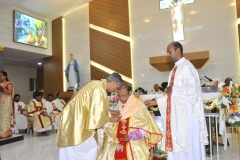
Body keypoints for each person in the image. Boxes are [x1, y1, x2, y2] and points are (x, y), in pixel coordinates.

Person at [144, 41, 208, 160]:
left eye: (170, 52)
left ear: (178, 50)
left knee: (187, 141)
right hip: (177, 115)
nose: (168, 55)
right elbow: (170, 94)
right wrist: (156, 102)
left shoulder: (187, 67)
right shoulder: (175, 68)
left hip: (187, 115)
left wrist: (173, 88)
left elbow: (193, 90)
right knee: (178, 140)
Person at [57, 72, 123, 160]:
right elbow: (97, 115)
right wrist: (111, 119)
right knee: (91, 148)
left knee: (72, 147)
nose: (115, 90)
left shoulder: (96, 83)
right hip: (78, 123)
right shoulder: (100, 89)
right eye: (117, 88)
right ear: (114, 82)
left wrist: (109, 113)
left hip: (73, 119)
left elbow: (92, 107)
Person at [98, 84, 162, 160]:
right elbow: (111, 126)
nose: (122, 98)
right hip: (116, 139)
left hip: (134, 140)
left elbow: (147, 126)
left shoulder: (139, 106)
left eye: (124, 95)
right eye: (119, 96)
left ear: (130, 93)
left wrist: (132, 136)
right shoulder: (117, 106)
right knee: (108, 150)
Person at [0, 71, 14, 138]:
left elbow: (9, 92)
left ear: (5, 76)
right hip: (0, 102)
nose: (0, 77)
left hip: (6, 102)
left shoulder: (9, 83)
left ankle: (5, 133)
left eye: (1, 75)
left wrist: (2, 88)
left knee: (5, 117)